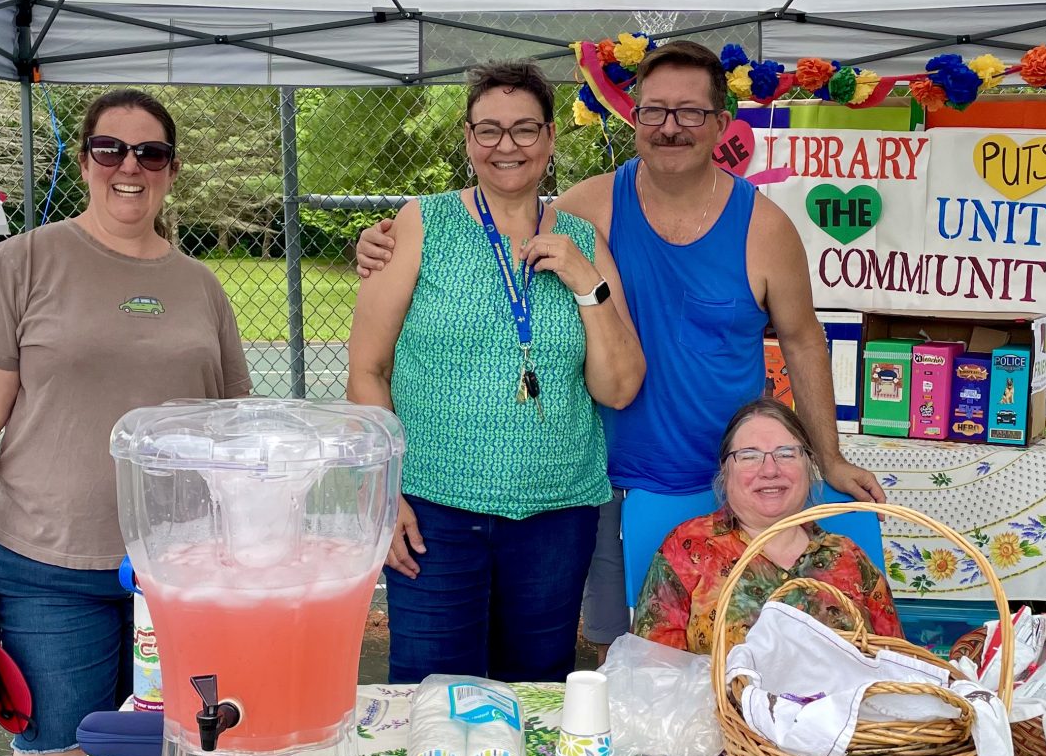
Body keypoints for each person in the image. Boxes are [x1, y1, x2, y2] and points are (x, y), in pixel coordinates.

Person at [357, 39, 879, 654]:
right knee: (614, 654)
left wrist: (829, 456)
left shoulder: (762, 228)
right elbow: (501, 223)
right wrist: (379, 246)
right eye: (654, 111)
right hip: (600, 483)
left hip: (715, 481)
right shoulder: (590, 207)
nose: (670, 127)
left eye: (690, 112)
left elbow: (803, 341)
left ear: (720, 124)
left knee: (719, 649)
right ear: (634, 118)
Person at [0, 88, 253, 756]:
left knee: (179, 752)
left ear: (171, 170)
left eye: (150, 153)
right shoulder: (23, 263)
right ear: (84, 162)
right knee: (53, 754)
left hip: (178, 571)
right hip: (51, 564)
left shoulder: (200, 287)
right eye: (110, 149)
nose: (129, 167)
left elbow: (232, 430)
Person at [347, 61, 645, 684]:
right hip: (433, 515)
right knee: (432, 695)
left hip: (555, 516)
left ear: (551, 137)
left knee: (534, 697)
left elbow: (618, 388)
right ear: (468, 138)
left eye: (524, 129)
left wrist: (585, 281)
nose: (506, 145)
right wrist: (383, 493)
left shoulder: (583, 241)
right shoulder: (422, 223)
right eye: (489, 129)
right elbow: (367, 370)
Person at [632, 398, 901, 655]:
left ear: (808, 465)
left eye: (786, 454)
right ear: (725, 471)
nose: (770, 470)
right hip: (716, 691)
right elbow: (652, 670)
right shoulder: (687, 549)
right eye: (749, 456)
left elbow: (898, 663)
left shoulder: (849, 557)